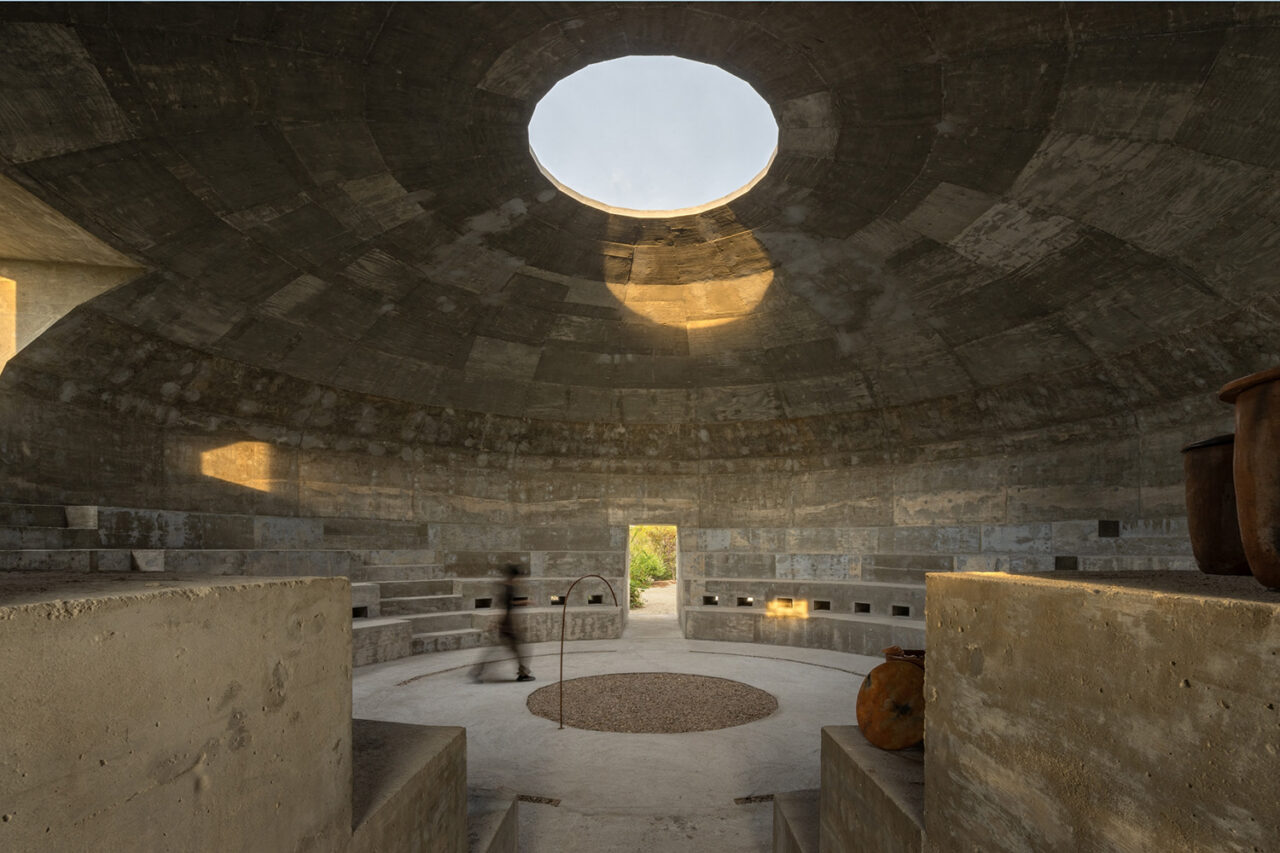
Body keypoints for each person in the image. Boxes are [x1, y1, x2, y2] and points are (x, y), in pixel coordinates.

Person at [470, 564, 534, 683]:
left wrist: (524, 602)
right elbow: (506, 607)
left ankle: (478, 671)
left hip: (507, 625)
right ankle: (522, 673)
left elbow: (508, 604)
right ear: (514, 577)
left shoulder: (507, 587)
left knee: (510, 650)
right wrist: (497, 623)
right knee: (516, 650)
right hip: (508, 626)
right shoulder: (508, 589)